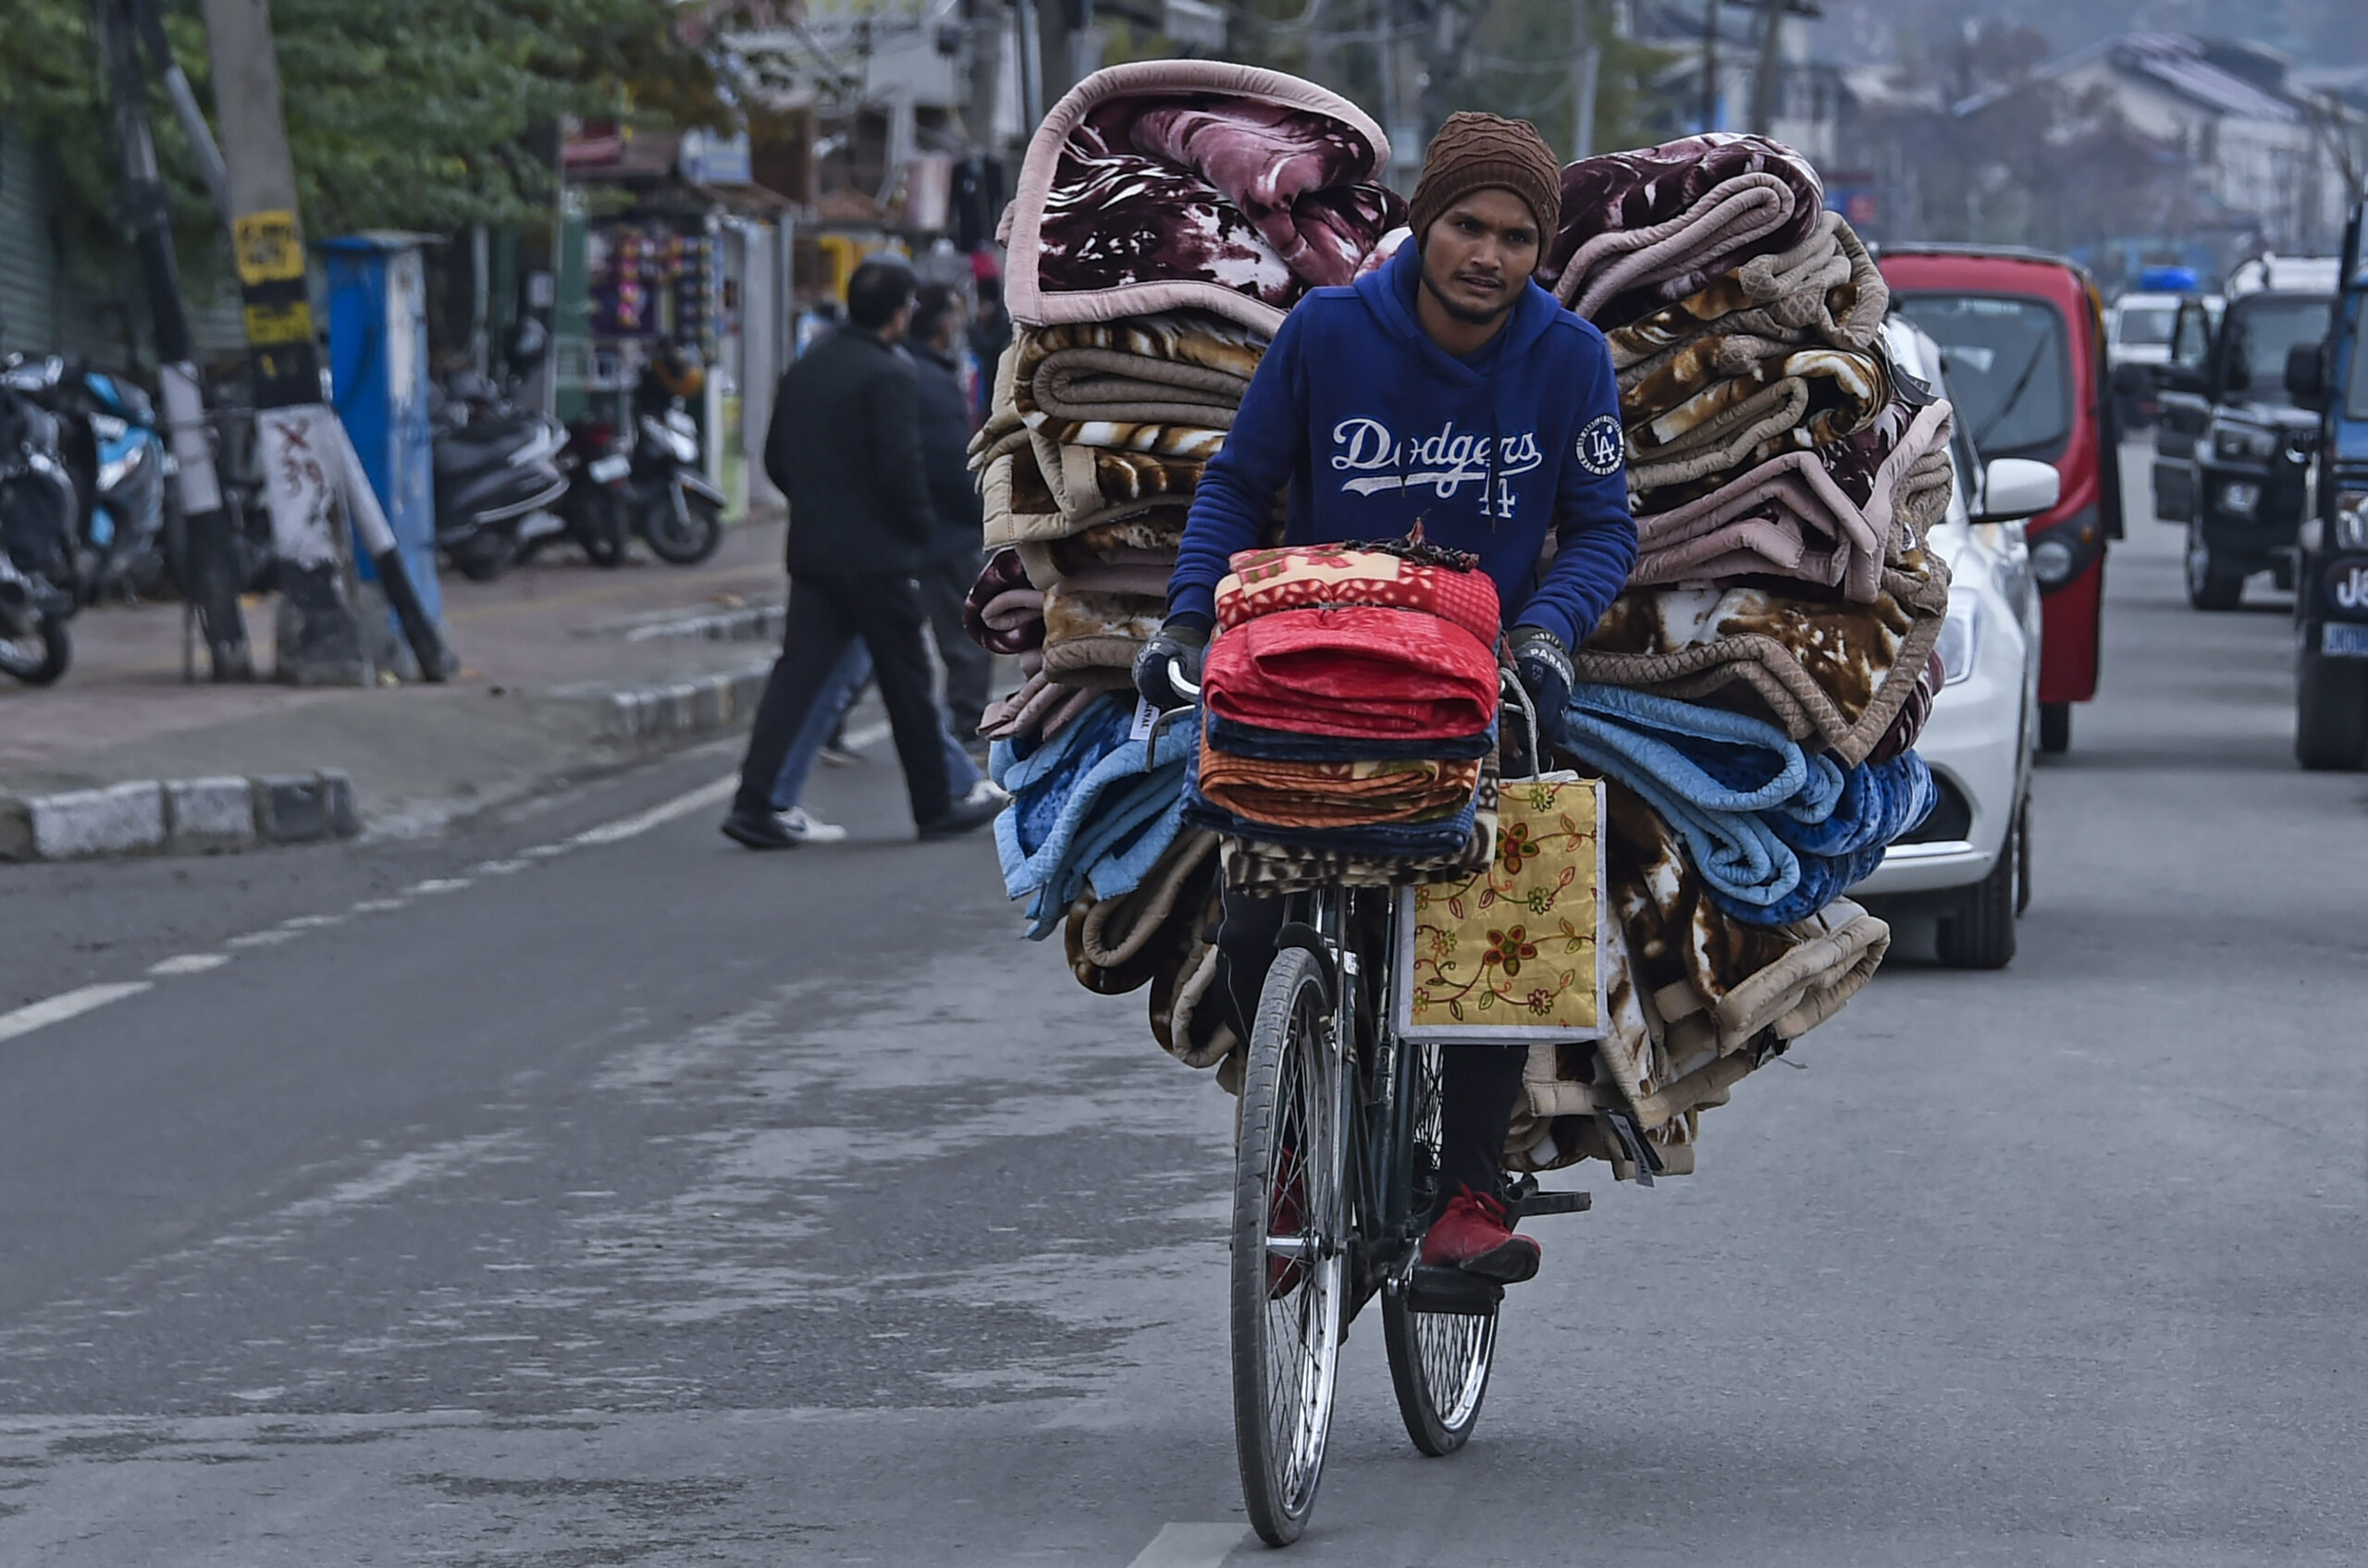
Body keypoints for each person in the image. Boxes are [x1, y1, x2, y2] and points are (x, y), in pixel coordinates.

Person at [1135, 112, 1638, 1283]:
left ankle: (1469, 1190)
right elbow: (1239, 488)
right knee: (1257, 917)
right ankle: (1296, 1149)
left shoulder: (1570, 360)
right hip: (1318, 684)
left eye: (1517, 236)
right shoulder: (1325, 334)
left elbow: (1603, 529)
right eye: (1467, 223)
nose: (1489, 254)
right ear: (1424, 220)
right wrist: (1186, 618)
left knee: (1501, 909)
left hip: (1482, 690)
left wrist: (1550, 635)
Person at [723, 257, 1000, 849]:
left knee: (795, 678)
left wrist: (823, 509)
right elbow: (901, 472)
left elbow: (776, 460)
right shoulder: (888, 374)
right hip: (879, 558)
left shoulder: (809, 365)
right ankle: (936, 803)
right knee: (909, 683)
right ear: (901, 313)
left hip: (815, 552)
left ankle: (754, 804)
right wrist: (914, 531)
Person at [905, 282, 994, 747]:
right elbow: (948, 463)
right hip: (946, 531)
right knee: (969, 634)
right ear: (942, 324)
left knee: (886, 637)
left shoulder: (913, 369)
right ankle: (965, 724)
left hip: (919, 528)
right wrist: (979, 516)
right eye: (956, 316)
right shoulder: (931, 379)